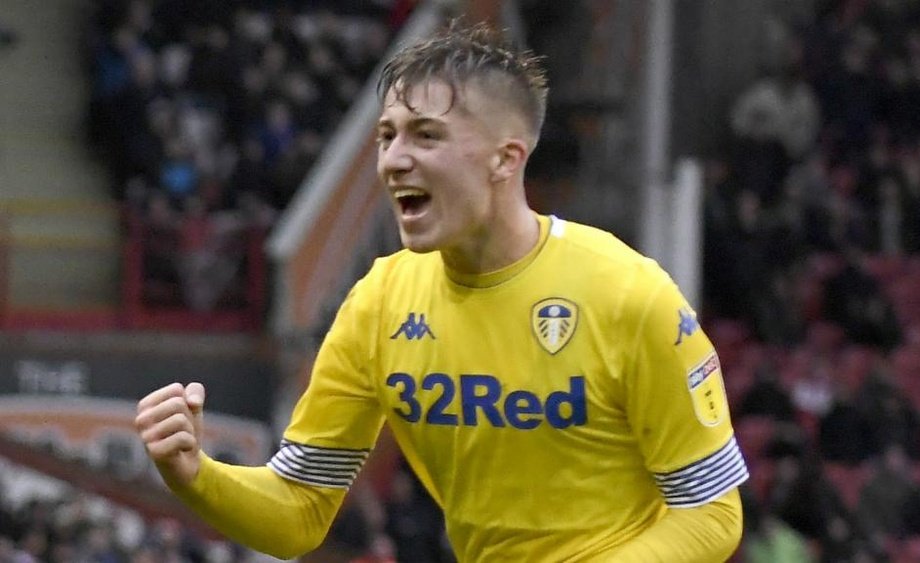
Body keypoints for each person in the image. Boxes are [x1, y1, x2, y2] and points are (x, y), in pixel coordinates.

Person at [134, 21, 748, 562]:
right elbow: (299, 510)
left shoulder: (629, 295)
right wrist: (195, 475)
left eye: (425, 136)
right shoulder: (379, 301)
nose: (394, 160)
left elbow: (714, 514)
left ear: (505, 160)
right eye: (387, 136)